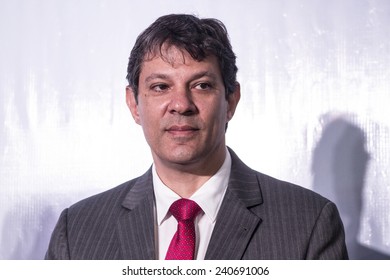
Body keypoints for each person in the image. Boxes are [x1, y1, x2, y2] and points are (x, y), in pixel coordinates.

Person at [45, 14, 348, 260]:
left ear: (230, 100)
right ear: (134, 104)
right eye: (161, 87)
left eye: (201, 85)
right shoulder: (77, 231)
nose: (181, 104)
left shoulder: (308, 223)